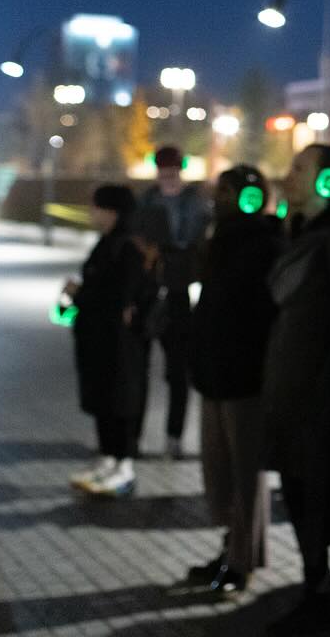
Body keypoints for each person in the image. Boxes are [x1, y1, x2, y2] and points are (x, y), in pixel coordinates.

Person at [172, 165, 282, 597]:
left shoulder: (264, 244)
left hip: (244, 377)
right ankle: (231, 550)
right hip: (215, 373)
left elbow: (253, 314)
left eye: (227, 192)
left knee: (245, 475)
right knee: (221, 474)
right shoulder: (221, 240)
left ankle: (242, 561)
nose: (218, 199)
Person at [262, 144, 330, 636]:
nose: (288, 176)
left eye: (300, 169)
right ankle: (315, 590)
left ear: (327, 183)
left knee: (318, 503)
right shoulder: (296, 233)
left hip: (316, 404)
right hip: (291, 397)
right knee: (298, 498)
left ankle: (324, 600)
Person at [65, 184, 150, 497]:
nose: (92, 212)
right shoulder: (107, 243)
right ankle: (107, 459)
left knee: (118, 401)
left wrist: (80, 293)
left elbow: (116, 296)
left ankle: (123, 465)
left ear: (112, 211)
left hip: (118, 343)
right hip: (98, 339)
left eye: (96, 206)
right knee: (103, 399)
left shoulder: (127, 247)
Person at [138, 144, 210, 459]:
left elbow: (197, 239)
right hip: (151, 287)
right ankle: (132, 437)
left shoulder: (195, 202)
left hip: (180, 290)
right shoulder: (147, 200)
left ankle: (174, 436)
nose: (167, 179)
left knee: (178, 370)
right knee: (137, 367)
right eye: (163, 173)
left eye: (172, 173)